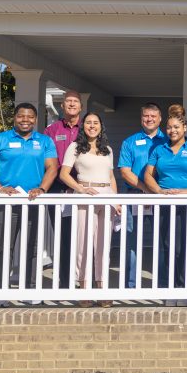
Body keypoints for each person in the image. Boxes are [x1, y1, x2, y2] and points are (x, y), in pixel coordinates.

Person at [0, 103, 58, 290]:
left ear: (36, 119)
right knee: (3, 247)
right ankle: (0, 291)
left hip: (33, 201)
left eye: (30, 117)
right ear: (14, 117)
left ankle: (30, 289)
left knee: (33, 247)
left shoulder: (45, 141)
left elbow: (52, 167)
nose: (25, 120)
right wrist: (0, 188)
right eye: (21, 116)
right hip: (7, 203)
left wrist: (42, 189)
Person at [143, 104, 187, 305]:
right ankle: (171, 288)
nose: (172, 131)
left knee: (183, 245)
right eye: (169, 127)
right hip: (165, 203)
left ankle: (184, 287)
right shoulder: (159, 149)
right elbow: (148, 175)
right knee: (168, 244)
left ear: (184, 128)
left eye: (176, 127)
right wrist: (159, 191)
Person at [59, 112, 120, 304]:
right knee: (83, 243)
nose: (92, 126)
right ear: (83, 126)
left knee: (103, 244)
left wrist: (117, 201)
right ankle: (84, 288)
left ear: (101, 126)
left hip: (106, 197)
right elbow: (64, 174)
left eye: (95, 123)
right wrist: (81, 189)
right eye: (88, 123)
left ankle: (101, 287)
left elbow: (111, 178)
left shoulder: (107, 150)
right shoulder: (75, 147)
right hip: (85, 197)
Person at [118, 103, 168, 288]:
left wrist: (156, 191)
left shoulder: (168, 141)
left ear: (160, 118)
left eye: (153, 116)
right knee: (131, 241)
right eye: (146, 116)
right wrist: (146, 189)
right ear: (141, 118)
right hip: (135, 196)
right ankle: (130, 286)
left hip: (161, 197)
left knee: (163, 240)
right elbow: (125, 171)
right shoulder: (130, 142)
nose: (149, 119)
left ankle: (163, 284)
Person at [44, 90, 82, 288]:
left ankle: (84, 279)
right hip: (59, 188)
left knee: (84, 235)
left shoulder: (88, 128)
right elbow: (47, 158)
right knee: (63, 234)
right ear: (62, 106)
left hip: (83, 186)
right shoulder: (52, 130)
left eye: (75, 102)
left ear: (81, 106)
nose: (72, 104)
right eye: (68, 101)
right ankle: (65, 281)